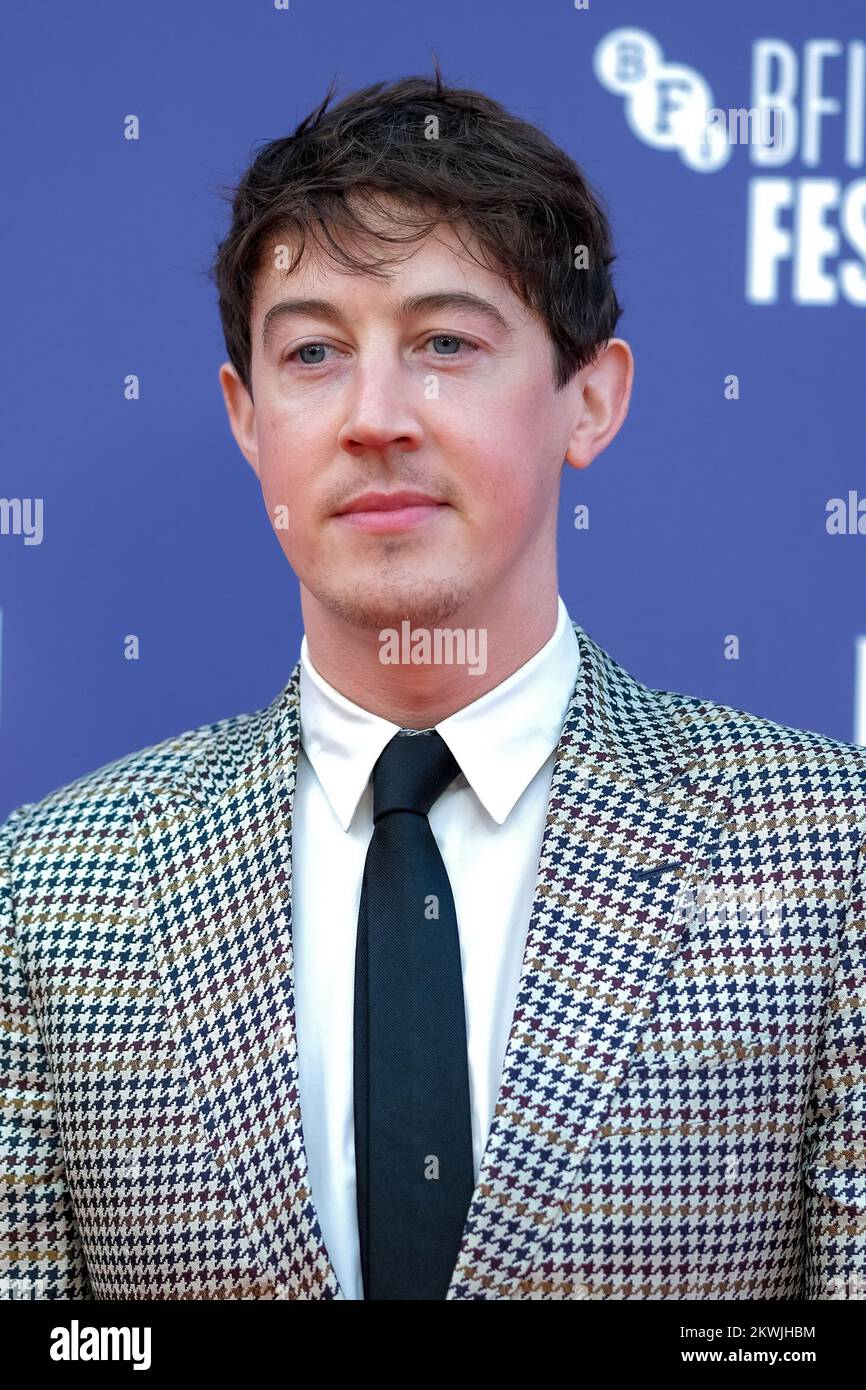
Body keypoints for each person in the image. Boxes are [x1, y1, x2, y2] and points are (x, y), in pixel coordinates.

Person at [2, 66, 864, 1302]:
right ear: (247, 418)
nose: (374, 415)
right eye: (312, 353)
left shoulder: (828, 856)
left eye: (445, 342)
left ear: (591, 397)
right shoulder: (47, 895)